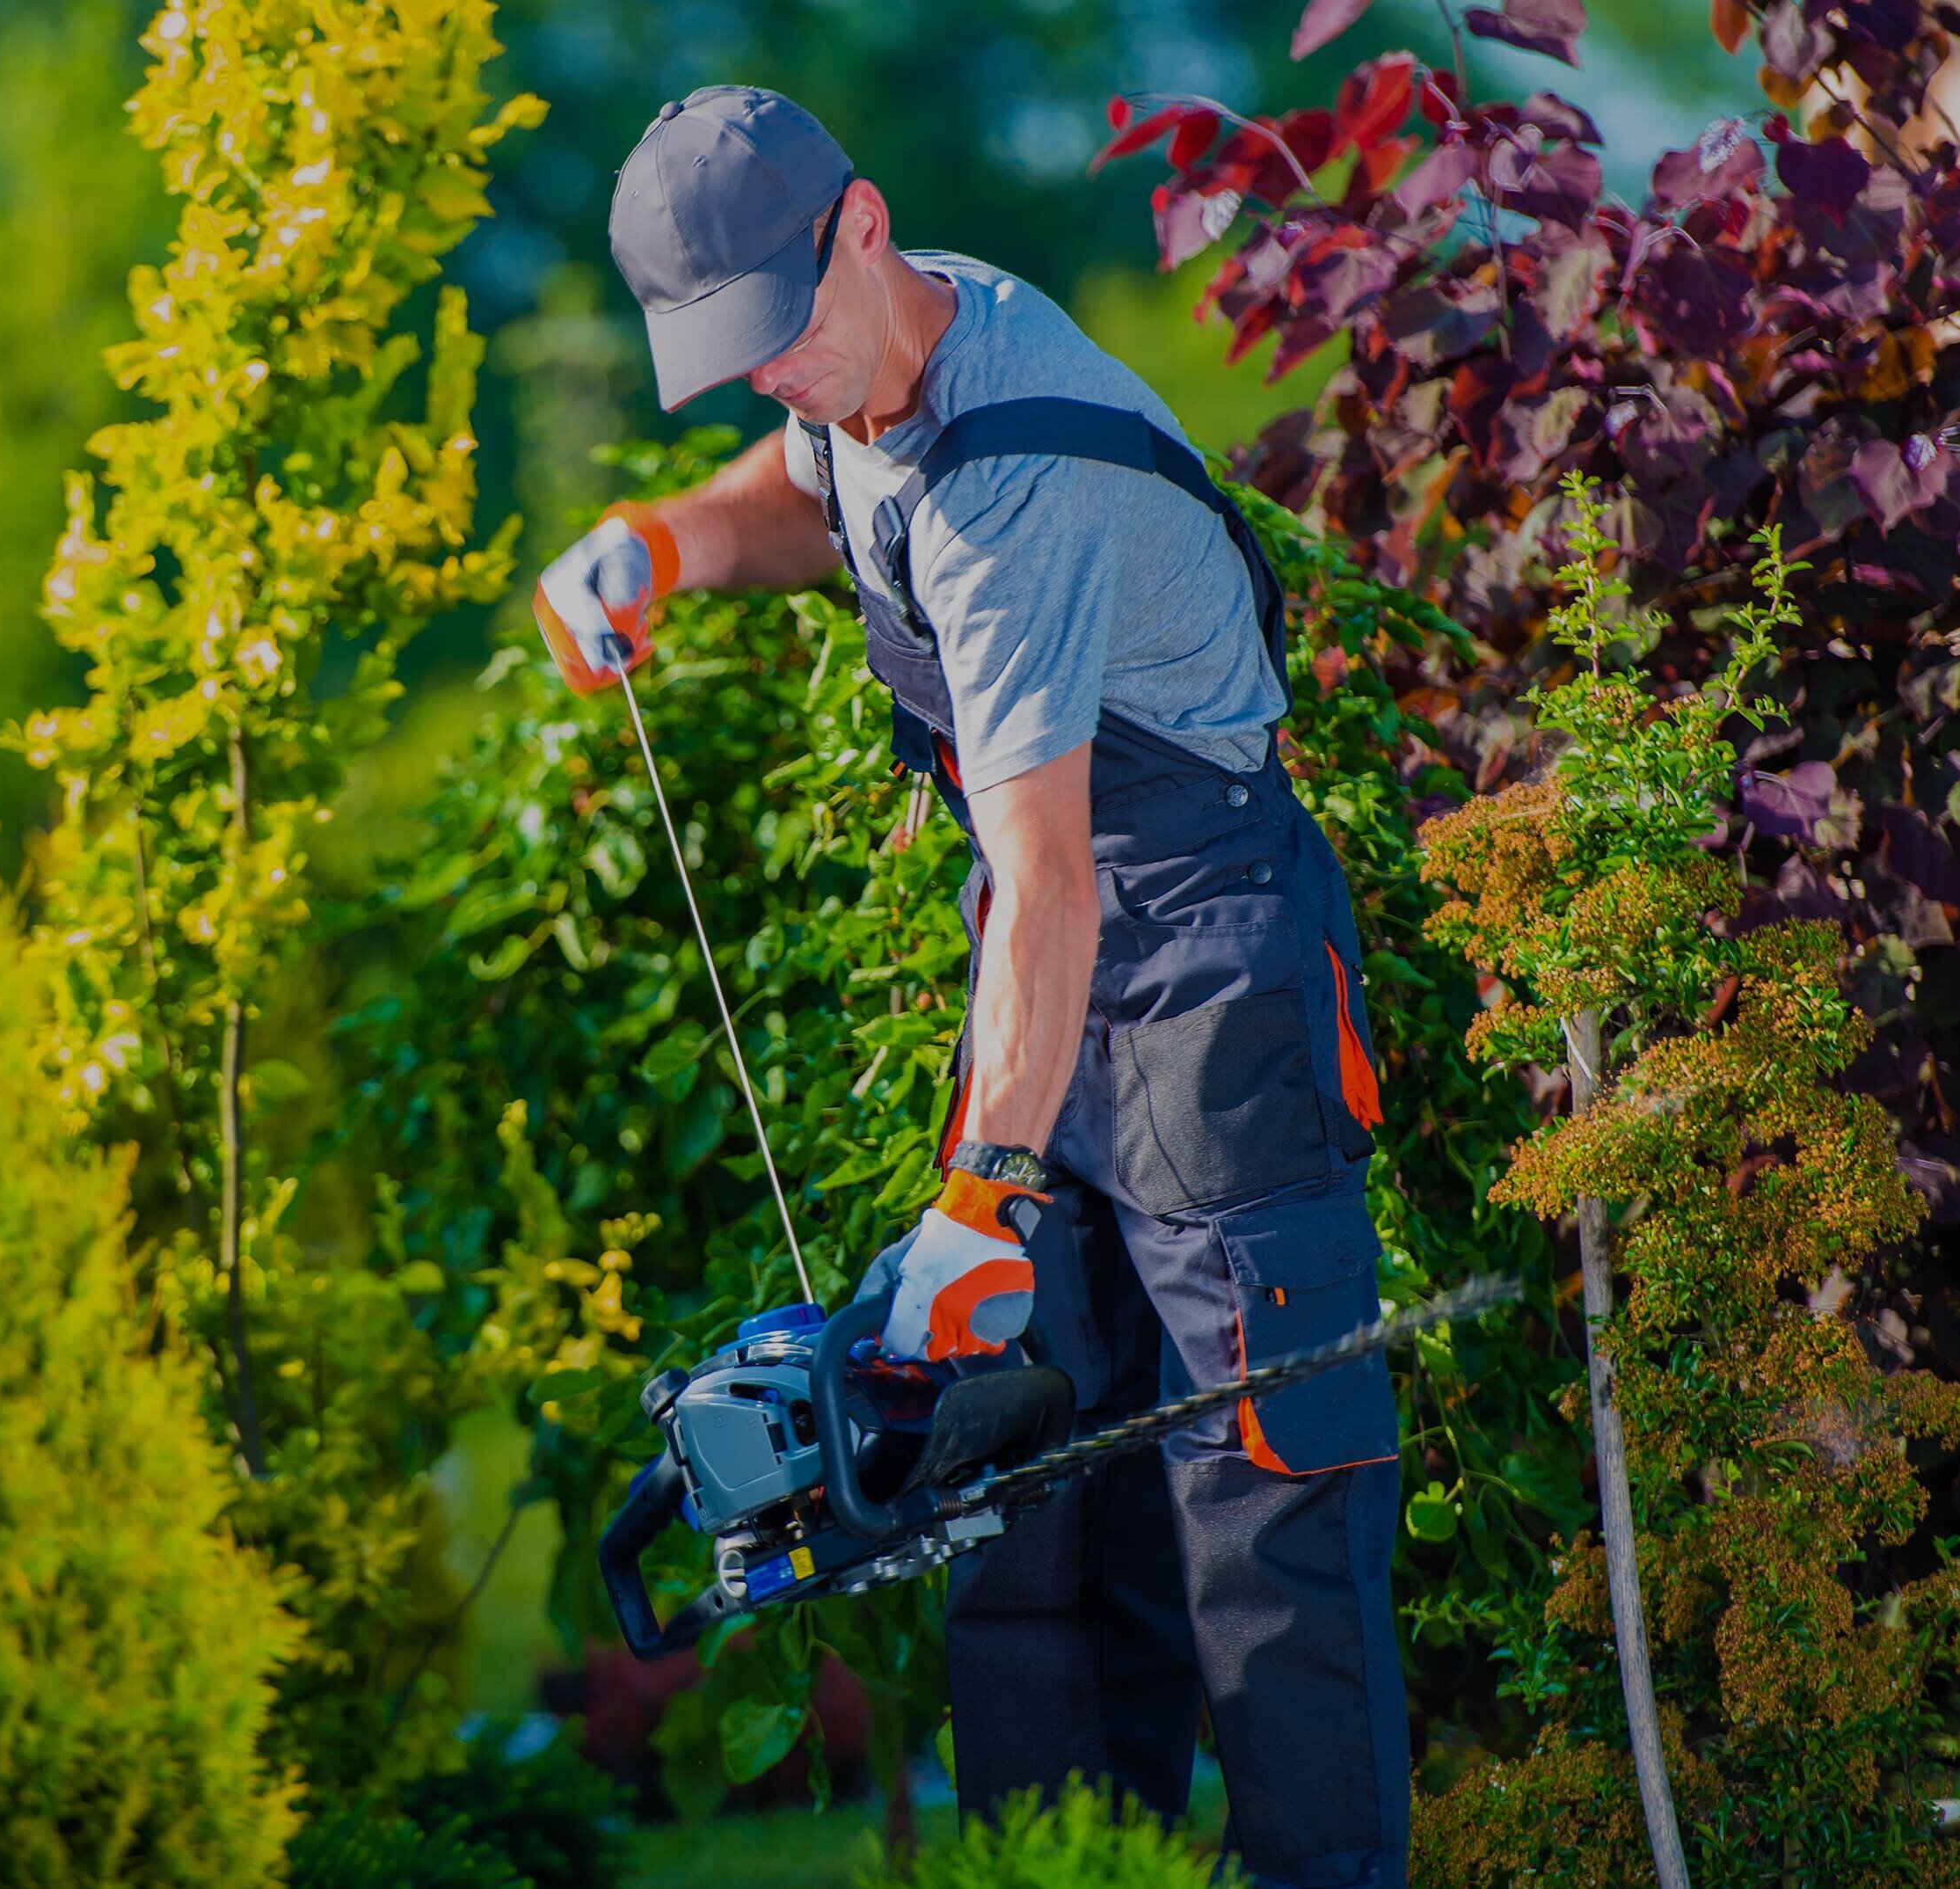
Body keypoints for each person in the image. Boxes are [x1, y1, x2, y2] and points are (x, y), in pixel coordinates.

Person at [532, 86, 1408, 1889]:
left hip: (1209, 975)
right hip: (1062, 978)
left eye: (783, 332)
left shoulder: (1016, 488)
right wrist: (668, 544)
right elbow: (796, 492)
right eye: (732, 357)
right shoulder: (868, 377)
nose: (772, 373)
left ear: (862, 228)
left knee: (1266, 1545)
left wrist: (978, 1196)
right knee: (1029, 1510)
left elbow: (1050, 882)